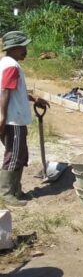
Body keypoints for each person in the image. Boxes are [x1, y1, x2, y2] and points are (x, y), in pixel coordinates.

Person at [0, 30, 50, 206]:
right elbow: (5, 92)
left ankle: (15, 190)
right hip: (13, 120)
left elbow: (14, 90)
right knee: (14, 155)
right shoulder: (11, 66)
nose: (26, 50)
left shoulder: (8, 63)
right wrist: (3, 117)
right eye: (23, 47)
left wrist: (34, 98)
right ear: (13, 48)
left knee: (20, 154)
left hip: (15, 119)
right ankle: (6, 193)